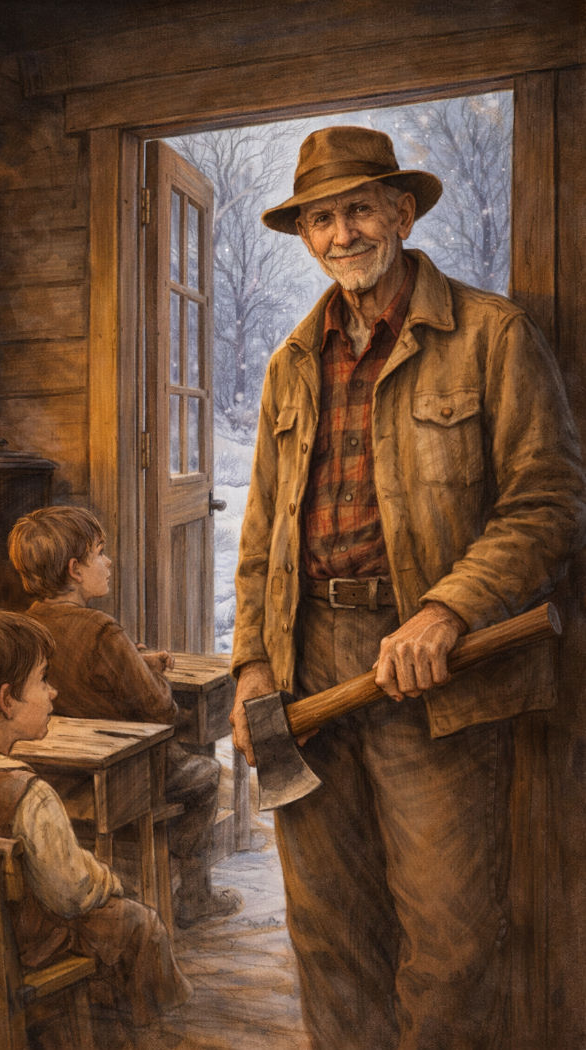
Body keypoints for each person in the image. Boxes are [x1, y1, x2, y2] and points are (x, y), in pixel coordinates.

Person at [229, 125, 586, 1050]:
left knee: (451, 940)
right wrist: (253, 670)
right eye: (320, 218)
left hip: (440, 669)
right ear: (304, 235)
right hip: (309, 674)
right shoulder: (289, 366)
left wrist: (446, 609)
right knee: (330, 934)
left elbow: (547, 504)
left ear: (402, 210)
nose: (341, 233)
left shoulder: (493, 337)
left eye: (357, 209)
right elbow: (263, 536)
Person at [0, 608, 191, 1037]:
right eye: (44, 679)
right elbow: (73, 893)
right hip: (17, 947)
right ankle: (145, 1035)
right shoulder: (28, 795)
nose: (53, 692)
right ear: (5, 700)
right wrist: (107, 879)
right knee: (139, 923)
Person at [7, 505, 242, 928]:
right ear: (75, 569)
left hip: (57, 773)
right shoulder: (102, 631)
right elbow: (162, 710)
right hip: (126, 773)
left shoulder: (24, 628)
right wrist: (149, 675)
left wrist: (136, 661)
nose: (109, 561)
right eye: (100, 553)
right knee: (205, 774)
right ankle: (194, 894)